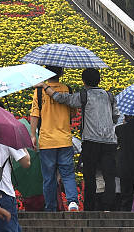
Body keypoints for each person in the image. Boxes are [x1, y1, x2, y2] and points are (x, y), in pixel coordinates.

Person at [50, 66, 117, 209]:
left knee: (90, 175)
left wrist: (45, 88)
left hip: (91, 141)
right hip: (109, 142)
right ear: (99, 80)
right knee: (109, 176)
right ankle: (109, 206)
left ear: (83, 81)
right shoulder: (109, 96)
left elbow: (62, 98)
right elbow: (115, 117)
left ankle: (90, 207)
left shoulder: (84, 95)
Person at [32, 67, 79, 211]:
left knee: (49, 177)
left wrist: (33, 135)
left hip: (47, 141)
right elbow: (72, 113)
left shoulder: (39, 91)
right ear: (62, 73)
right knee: (68, 173)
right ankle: (72, 202)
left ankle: (51, 207)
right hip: (64, 139)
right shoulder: (67, 90)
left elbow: (35, 114)